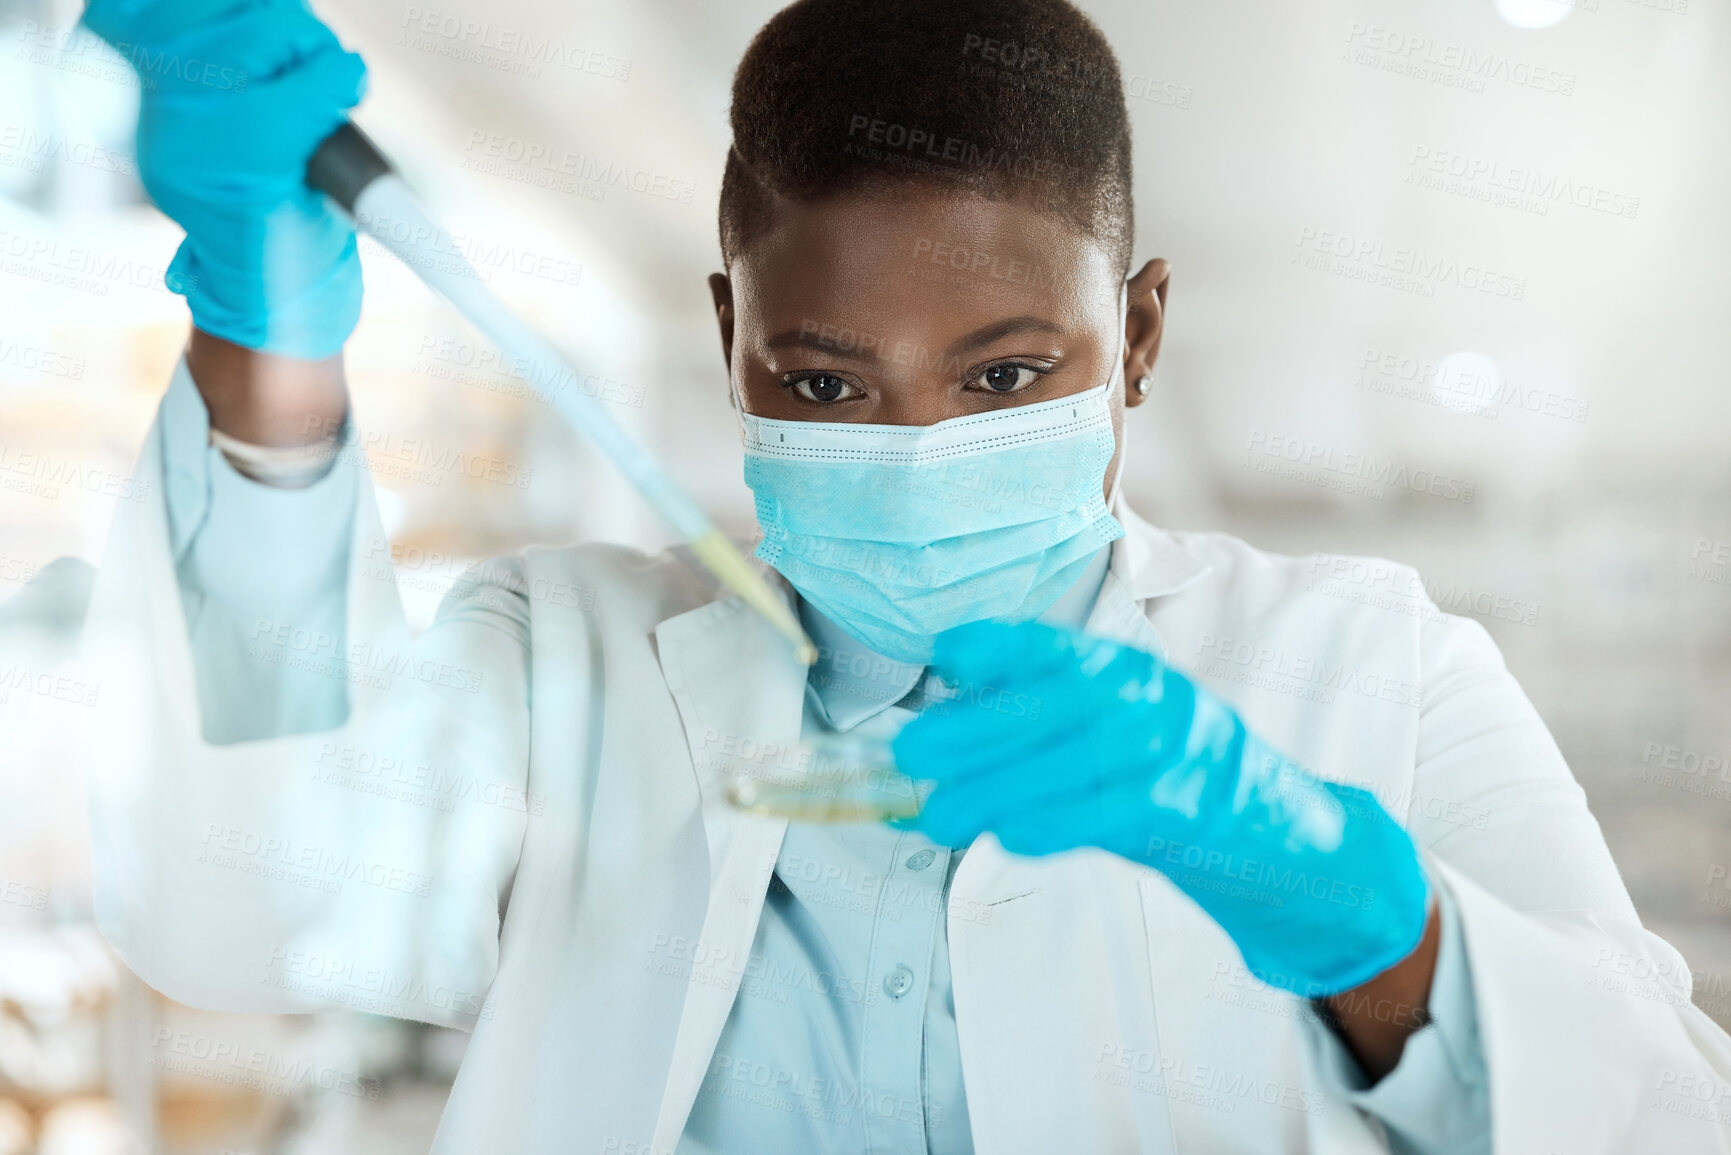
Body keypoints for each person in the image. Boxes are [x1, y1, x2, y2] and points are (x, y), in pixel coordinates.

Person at [74, 0, 1731, 1152]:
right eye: (826, 382)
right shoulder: (559, 657)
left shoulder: (1374, 672)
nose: (922, 444)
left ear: (1136, 334)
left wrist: (1351, 910)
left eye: (1005, 375)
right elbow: (241, 913)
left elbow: (1665, 1123)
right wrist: (262, 345)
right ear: (732, 342)